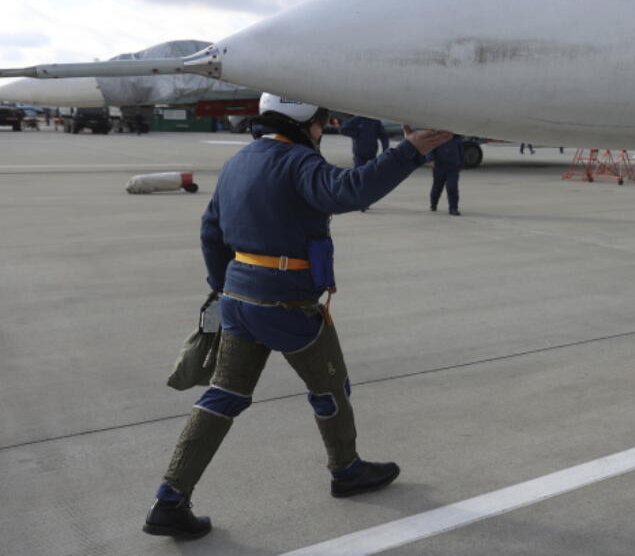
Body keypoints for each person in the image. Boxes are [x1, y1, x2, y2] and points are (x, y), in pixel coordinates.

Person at [142, 94, 452, 540]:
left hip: (238, 299)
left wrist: (223, 286)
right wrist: (411, 149)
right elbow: (351, 190)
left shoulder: (237, 162)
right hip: (286, 305)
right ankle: (346, 470)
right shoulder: (298, 162)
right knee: (330, 387)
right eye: (322, 122)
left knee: (224, 395)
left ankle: (169, 499)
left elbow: (211, 231)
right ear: (310, 122)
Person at [429, 134, 465, 216]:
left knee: (452, 187)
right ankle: (433, 204)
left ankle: (453, 208)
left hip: (453, 168)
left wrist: (461, 164)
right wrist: (430, 159)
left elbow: (461, 151)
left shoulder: (457, 139)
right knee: (437, 188)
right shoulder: (438, 138)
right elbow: (430, 149)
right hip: (439, 167)